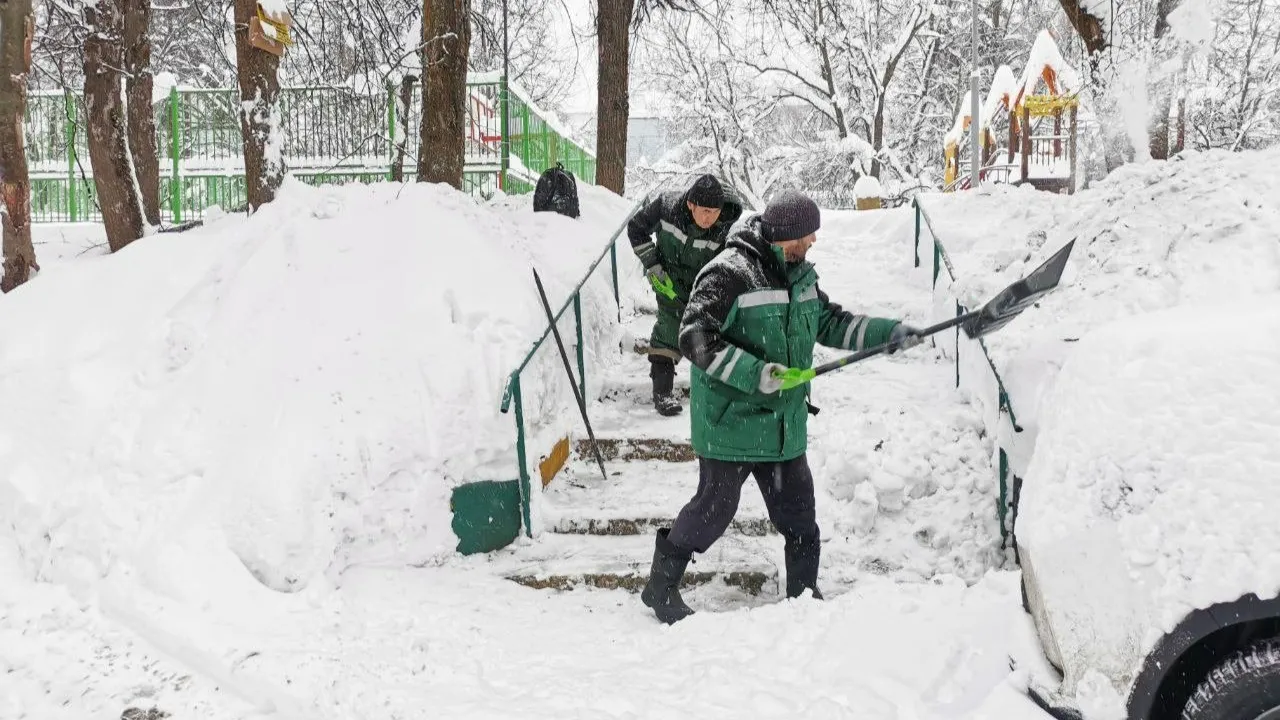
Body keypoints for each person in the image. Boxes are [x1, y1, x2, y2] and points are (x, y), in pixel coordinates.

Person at [639, 189, 924, 624]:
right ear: (780, 235)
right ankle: (659, 588)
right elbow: (694, 337)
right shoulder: (728, 273)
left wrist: (888, 333)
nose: (810, 244)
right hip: (730, 423)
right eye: (804, 237)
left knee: (800, 517)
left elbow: (832, 321)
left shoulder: (800, 276)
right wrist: (756, 374)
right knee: (711, 514)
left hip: (782, 428)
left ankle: (804, 597)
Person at [627, 174, 744, 417]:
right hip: (668, 280)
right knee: (669, 330)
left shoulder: (725, 229)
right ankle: (663, 393)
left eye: (715, 211)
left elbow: (731, 263)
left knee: (710, 336)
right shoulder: (666, 207)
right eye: (704, 211)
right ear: (691, 204)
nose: (709, 218)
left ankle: (723, 391)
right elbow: (636, 228)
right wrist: (652, 264)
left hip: (704, 287)